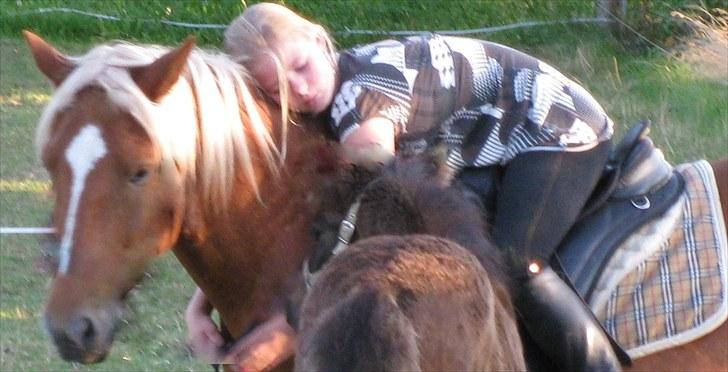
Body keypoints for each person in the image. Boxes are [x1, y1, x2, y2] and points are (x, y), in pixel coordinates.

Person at [187, 2, 625, 371]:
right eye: (278, 88)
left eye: (302, 67)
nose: (300, 90)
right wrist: (199, 305)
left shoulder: (363, 102)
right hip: (486, 141)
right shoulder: (322, 103)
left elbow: (377, 212)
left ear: (321, 42)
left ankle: (598, 365)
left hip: (554, 129)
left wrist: (294, 326)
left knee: (514, 263)